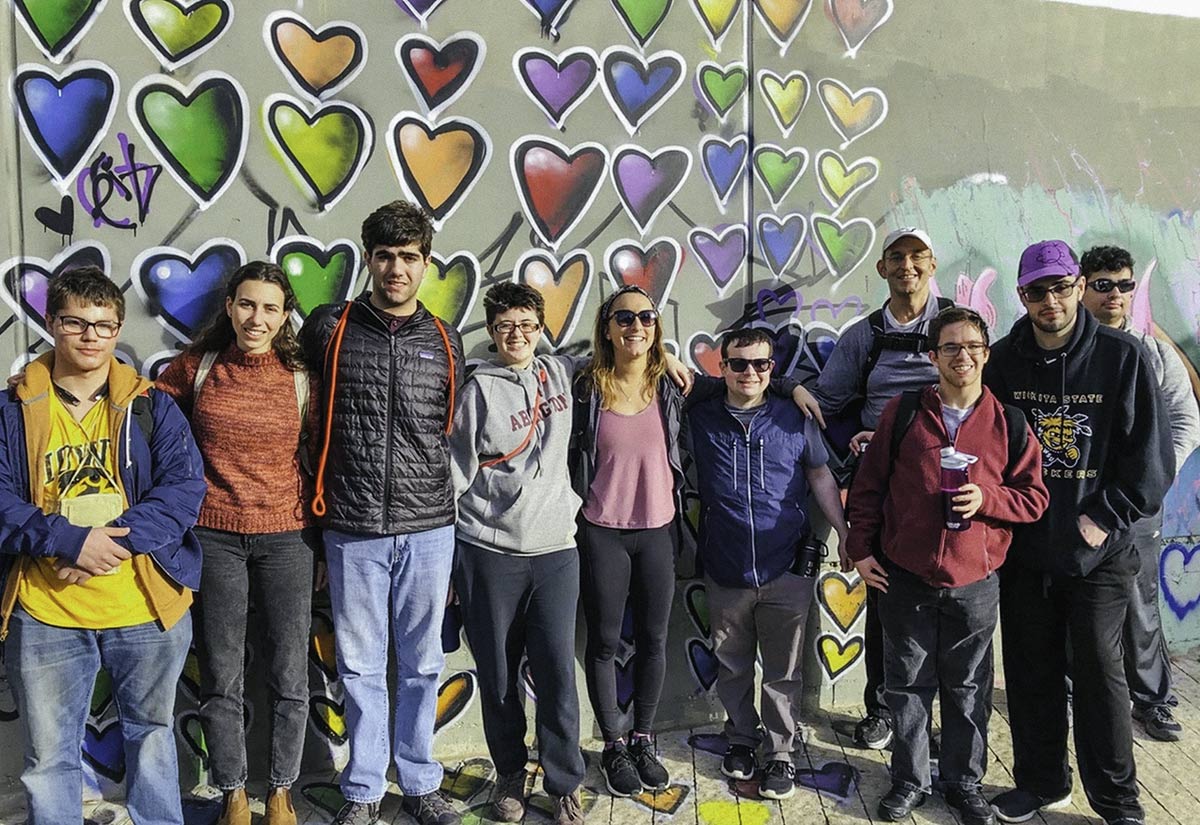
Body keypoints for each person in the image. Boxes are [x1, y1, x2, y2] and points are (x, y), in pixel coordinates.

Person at [569, 285, 821, 798]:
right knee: (605, 642)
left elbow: (749, 380)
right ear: (608, 326)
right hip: (602, 531)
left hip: (660, 530)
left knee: (655, 641)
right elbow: (736, 377)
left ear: (657, 327)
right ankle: (615, 746)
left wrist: (790, 384)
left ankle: (642, 738)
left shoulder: (672, 386)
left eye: (646, 316)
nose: (635, 325)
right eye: (624, 317)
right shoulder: (587, 386)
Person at [0, 266, 205, 825]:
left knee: (154, 740)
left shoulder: (152, 406)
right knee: (49, 758)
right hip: (47, 611)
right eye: (76, 323)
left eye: (104, 325)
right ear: (51, 323)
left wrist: (107, 547)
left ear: (117, 330)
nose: (91, 336)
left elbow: (184, 489)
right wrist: (67, 542)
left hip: (144, 607)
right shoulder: (11, 410)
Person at [984, 240, 1173, 825]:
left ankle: (1118, 802)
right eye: (1037, 291)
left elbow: (1151, 459)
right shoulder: (1002, 360)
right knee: (1029, 669)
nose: (1050, 301)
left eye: (1061, 287)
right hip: (1025, 551)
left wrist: (1105, 517)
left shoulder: (1122, 357)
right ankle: (1042, 782)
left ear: (1077, 287)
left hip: (1101, 553)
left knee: (1098, 675)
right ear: (1022, 296)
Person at [846, 307, 1048, 825]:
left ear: (986, 353)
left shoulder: (1010, 422)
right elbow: (869, 489)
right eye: (951, 347)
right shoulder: (904, 412)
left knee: (969, 687)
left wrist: (987, 498)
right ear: (932, 356)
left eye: (973, 347)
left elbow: (1034, 499)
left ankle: (962, 782)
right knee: (907, 683)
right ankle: (910, 781)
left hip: (976, 582)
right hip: (905, 575)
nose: (963, 356)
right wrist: (862, 551)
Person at [299, 201, 465, 825]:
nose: (397, 269)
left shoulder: (445, 341)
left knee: (423, 664)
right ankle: (364, 790)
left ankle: (420, 781)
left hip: (429, 527)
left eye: (410, 258)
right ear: (368, 259)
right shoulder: (331, 327)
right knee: (361, 666)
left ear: (426, 263)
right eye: (386, 256)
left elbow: (451, 432)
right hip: (351, 525)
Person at [156, 262, 319, 825]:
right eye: (248, 304)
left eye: (271, 308)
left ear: (284, 315)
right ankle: (232, 792)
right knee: (222, 671)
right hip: (214, 535)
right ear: (229, 306)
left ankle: (280, 790)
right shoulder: (196, 369)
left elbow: (324, 453)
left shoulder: (301, 377)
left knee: (289, 672)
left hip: (287, 537)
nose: (258, 317)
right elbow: (141, 413)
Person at [684, 327, 849, 800]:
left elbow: (819, 474)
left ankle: (780, 753)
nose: (751, 373)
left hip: (786, 566)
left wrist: (844, 530)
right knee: (732, 663)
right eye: (739, 364)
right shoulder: (701, 416)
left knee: (783, 669)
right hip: (726, 563)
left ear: (773, 368)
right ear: (723, 367)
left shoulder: (794, 417)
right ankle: (741, 737)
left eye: (762, 365)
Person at [448, 283, 587, 825]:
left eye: (527, 324)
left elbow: (623, 352)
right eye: (505, 325)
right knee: (499, 674)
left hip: (556, 550)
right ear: (492, 329)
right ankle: (509, 772)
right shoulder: (477, 390)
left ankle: (563, 781)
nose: (517, 335)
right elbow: (455, 471)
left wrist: (666, 353)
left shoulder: (561, 373)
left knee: (556, 671)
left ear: (541, 327)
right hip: (490, 550)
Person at [811, 227, 954, 750]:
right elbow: (826, 405)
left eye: (918, 256)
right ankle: (882, 710)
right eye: (897, 258)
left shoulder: (956, 327)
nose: (907, 267)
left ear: (933, 263)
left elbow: (980, 401)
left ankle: (932, 721)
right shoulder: (863, 336)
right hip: (885, 492)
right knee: (885, 601)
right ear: (882, 269)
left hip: (948, 491)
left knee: (946, 605)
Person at [1080, 244, 1200, 743]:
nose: (1114, 295)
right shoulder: (1066, 350)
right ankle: (1076, 690)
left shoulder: (1152, 348)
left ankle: (1151, 700)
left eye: (1124, 284)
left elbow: (1184, 419)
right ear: (1082, 287)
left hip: (1134, 508)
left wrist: (1154, 482)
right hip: (1075, 503)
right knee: (1071, 600)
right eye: (1103, 284)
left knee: (1140, 604)